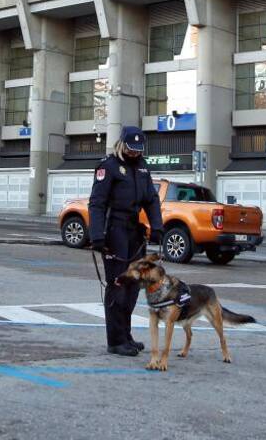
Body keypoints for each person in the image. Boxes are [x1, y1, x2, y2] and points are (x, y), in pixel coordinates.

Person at [88, 125, 164, 357]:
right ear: (121, 145)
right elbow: (97, 203)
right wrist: (97, 235)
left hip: (133, 232)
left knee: (132, 288)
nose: (135, 153)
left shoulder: (142, 168)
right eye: (131, 149)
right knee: (118, 287)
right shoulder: (108, 167)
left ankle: (126, 335)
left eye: (138, 149)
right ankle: (115, 340)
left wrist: (157, 226)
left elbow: (151, 199)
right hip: (114, 232)